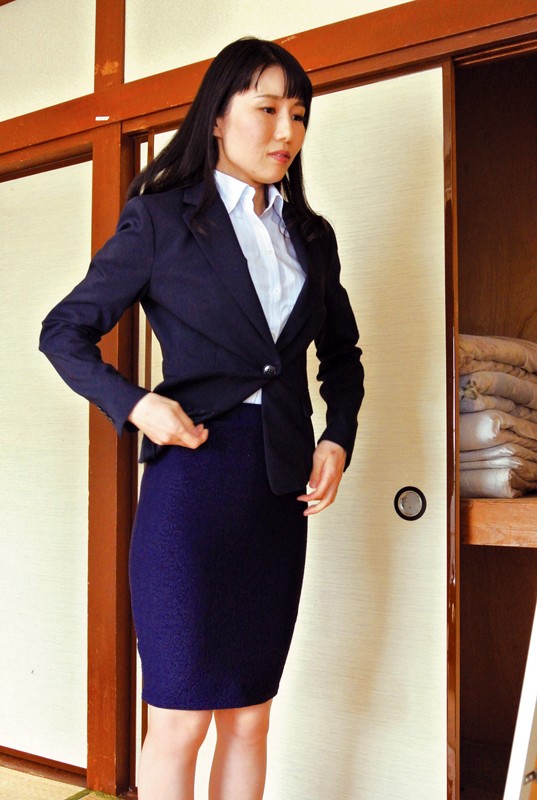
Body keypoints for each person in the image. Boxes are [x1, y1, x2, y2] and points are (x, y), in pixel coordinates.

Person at [39, 37, 364, 800]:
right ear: (217, 117)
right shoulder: (160, 220)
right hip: (192, 486)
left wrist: (337, 438)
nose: (286, 130)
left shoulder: (310, 236)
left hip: (276, 490)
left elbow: (341, 356)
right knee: (180, 717)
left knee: (249, 716)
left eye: (298, 114)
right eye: (266, 109)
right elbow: (64, 332)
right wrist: (137, 404)